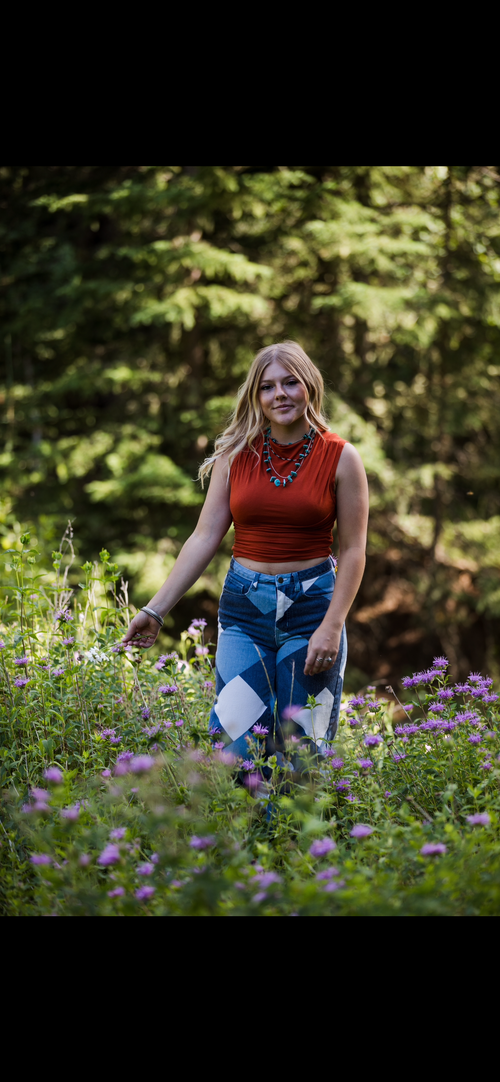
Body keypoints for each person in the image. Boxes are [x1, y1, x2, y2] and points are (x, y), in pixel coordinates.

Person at [123, 341, 369, 774]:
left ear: (309, 386)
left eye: (290, 383)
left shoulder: (341, 457)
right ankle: (243, 840)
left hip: (313, 608)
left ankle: (293, 842)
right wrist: (156, 610)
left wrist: (332, 626)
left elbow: (352, 550)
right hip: (244, 611)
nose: (280, 395)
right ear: (256, 396)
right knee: (236, 749)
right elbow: (204, 537)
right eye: (268, 386)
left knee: (303, 756)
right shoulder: (235, 454)